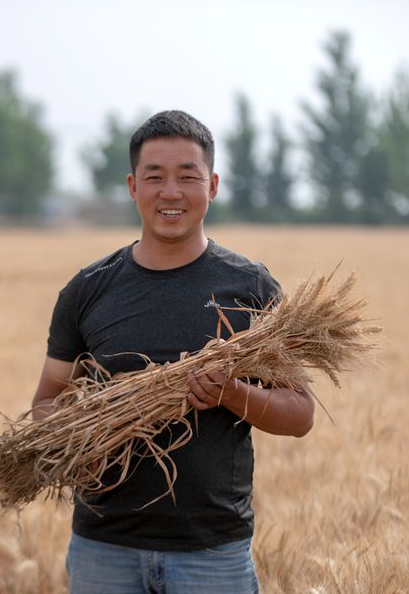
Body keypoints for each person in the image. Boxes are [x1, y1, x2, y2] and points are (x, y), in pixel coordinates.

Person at [31, 110, 315, 593]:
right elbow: (45, 404)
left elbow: (301, 413)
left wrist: (231, 393)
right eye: (154, 176)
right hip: (104, 549)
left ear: (214, 185)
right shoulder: (87, 290)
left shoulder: (250, 288)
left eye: (188, 176)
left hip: (211, 553)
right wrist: (72, 447)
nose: (171, 192)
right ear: (131, 186)